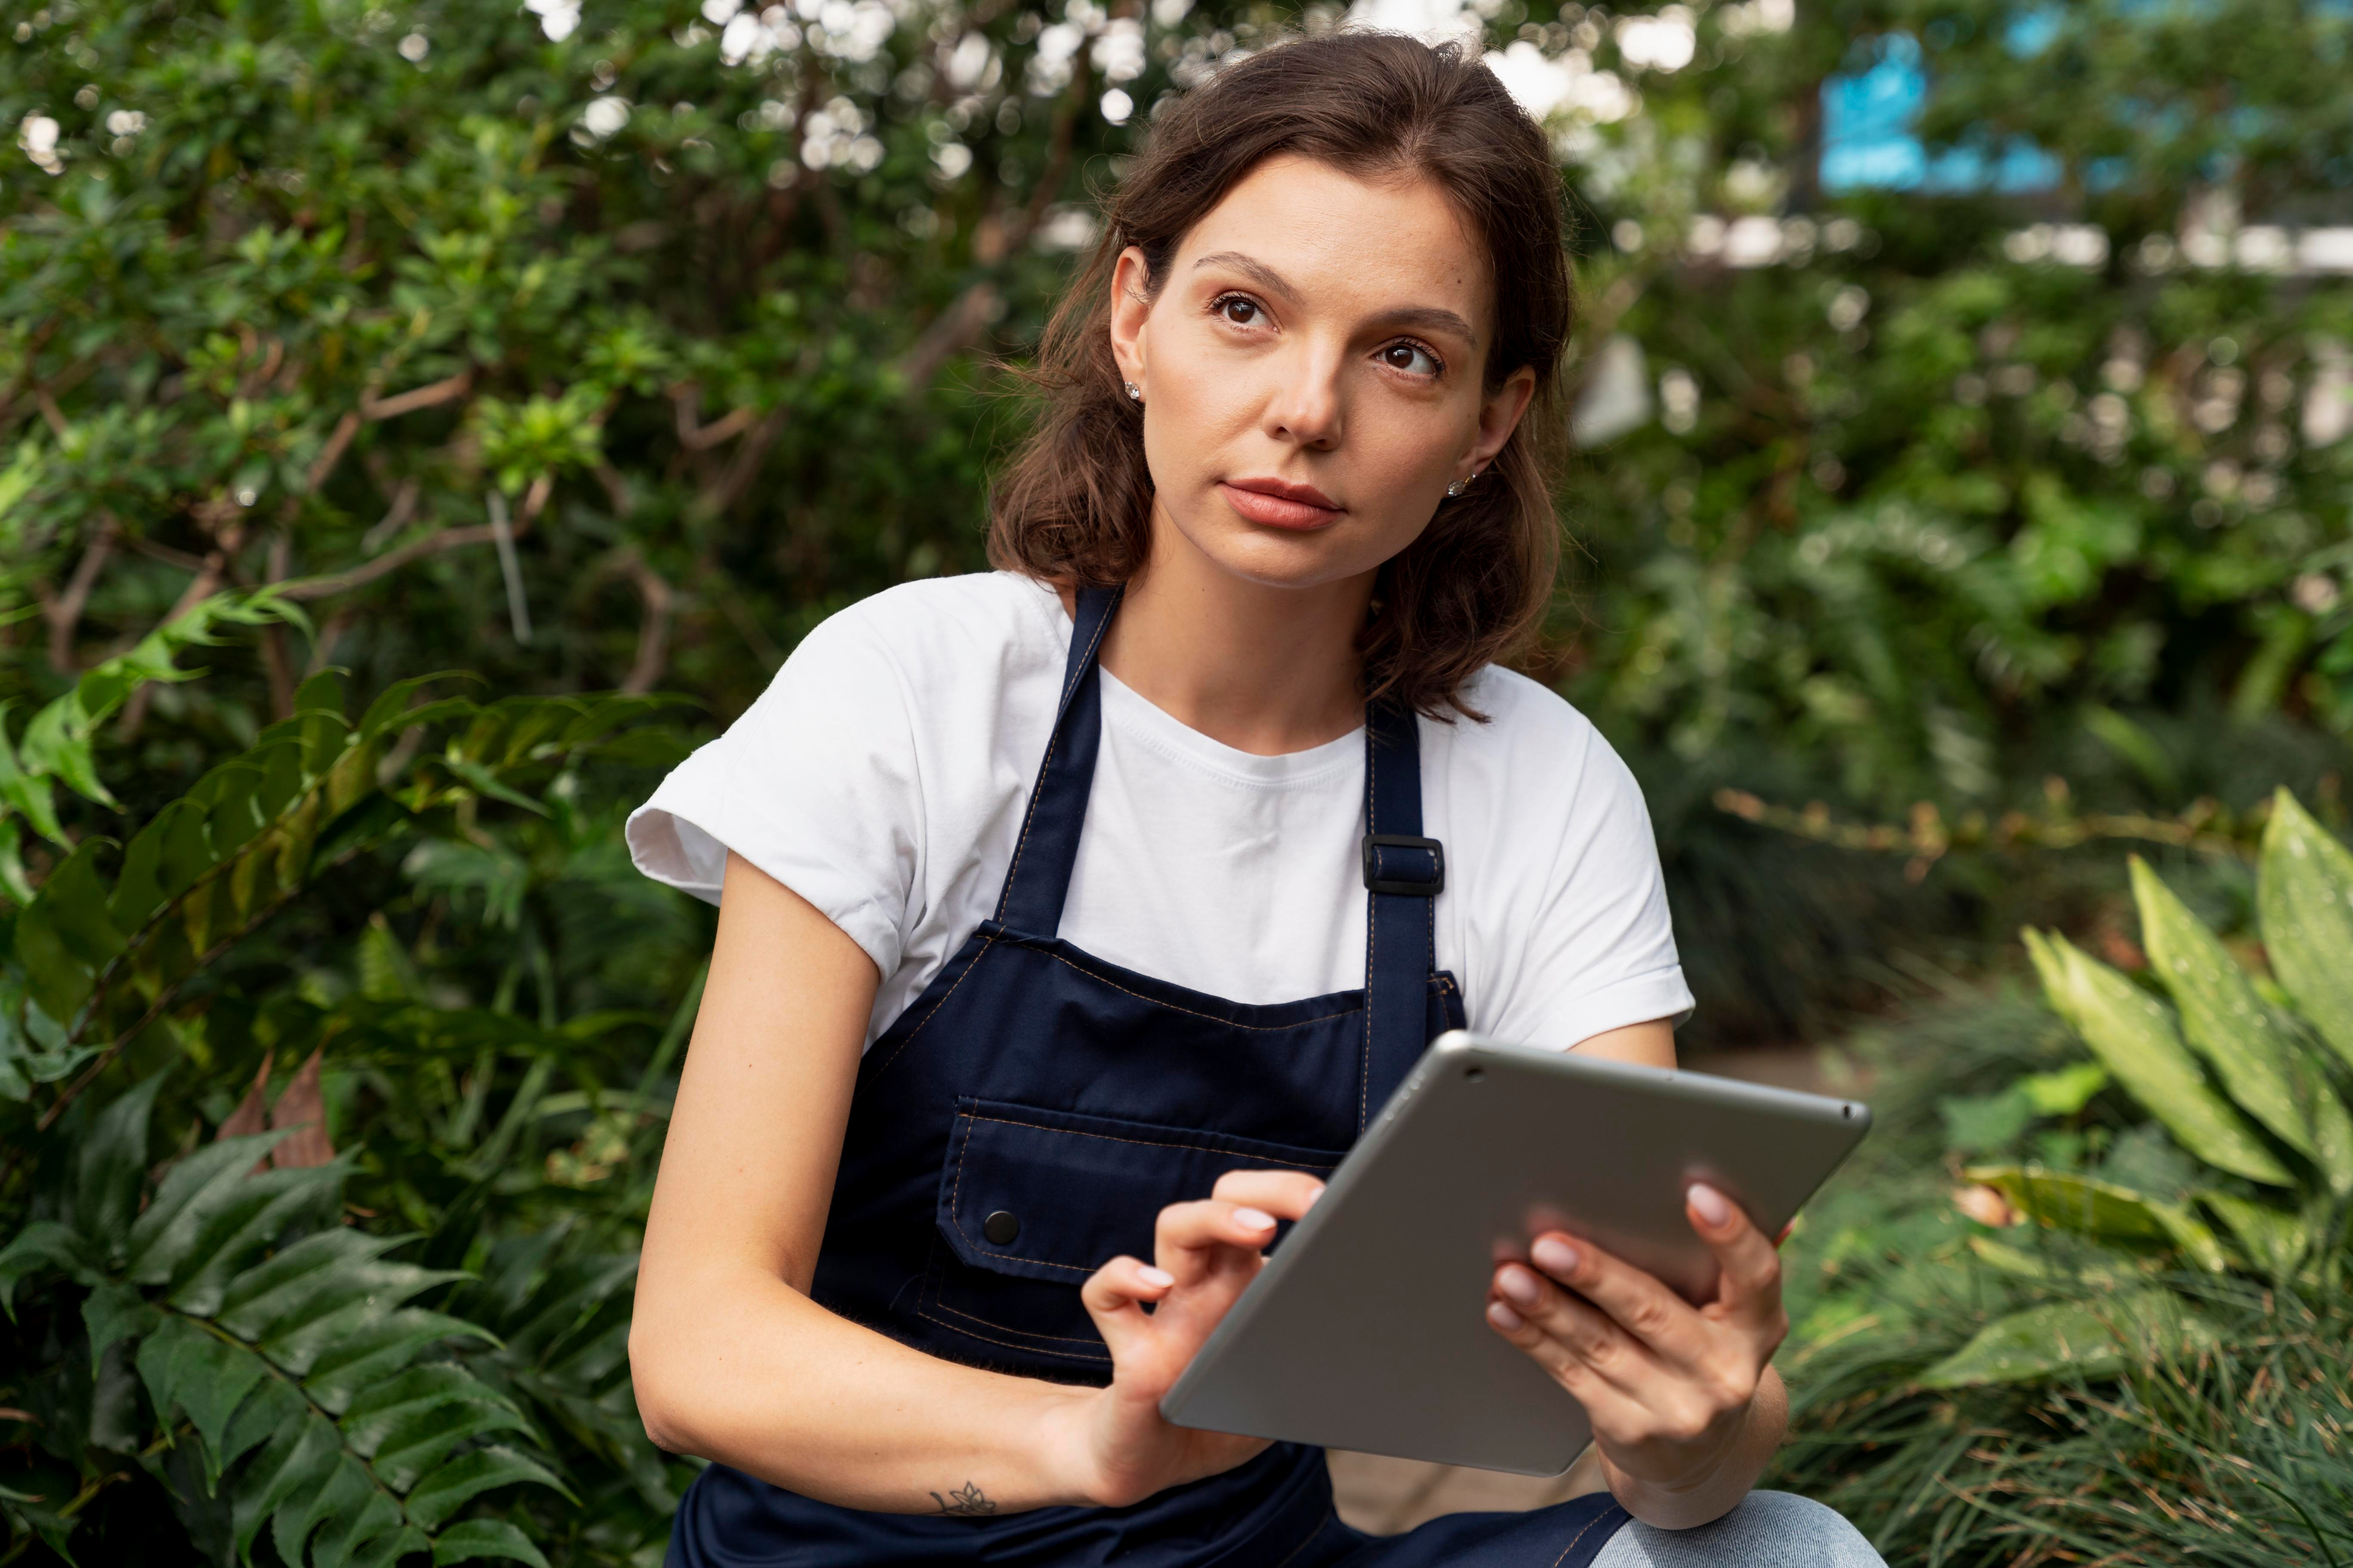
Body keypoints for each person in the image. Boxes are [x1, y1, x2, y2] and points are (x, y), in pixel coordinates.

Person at [624, 28, 1885, 1568]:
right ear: (1136, 319)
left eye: (1404, 353)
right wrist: (1087, 1442)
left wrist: (1693, 1435)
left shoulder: (1539, 785)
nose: (1306, 408)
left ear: (1490, 420)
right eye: (1245, 312)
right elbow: (696, 1348)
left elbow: (1679, 1422)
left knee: (1776, 1549)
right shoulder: (915, 690)